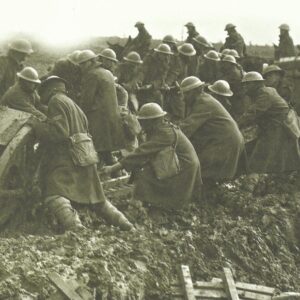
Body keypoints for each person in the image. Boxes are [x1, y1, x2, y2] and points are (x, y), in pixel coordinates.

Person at [30, 76, 133, 232]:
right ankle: (125, 224)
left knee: (54, 192)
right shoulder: (73, 105)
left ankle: (75, 227)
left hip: (68, 157)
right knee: (96, 198)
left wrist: (37, 125)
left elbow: (60, 132)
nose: (40, 96)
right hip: (85, 156)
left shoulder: (56, 102)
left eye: (42, 92)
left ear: (50, 90)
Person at [102, 103, 202, 211]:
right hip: (177, 162)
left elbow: (141, 153)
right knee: (143, 169)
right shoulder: (161, 128)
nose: (142, 124)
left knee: (145, 173)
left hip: (184, 168)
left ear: (153, 121)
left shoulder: (165, 133)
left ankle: (138, 203)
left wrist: (112, 168)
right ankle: (143, 200)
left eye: (144, 122)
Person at [179, 76, 245, 183]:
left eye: (186, 94)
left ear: (196, 91)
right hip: (225, 140)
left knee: (199, 169)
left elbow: (187, 128)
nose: (183, 98)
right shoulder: (202, 100)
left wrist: (168, 134)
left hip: (225, 142)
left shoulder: (203, 103)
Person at [240, 71, 300, 174]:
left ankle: (260, 175)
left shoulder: (265, 94)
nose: (245, 87)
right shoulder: (265, 91)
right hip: (277, 125)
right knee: (280, 155)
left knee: (263, 154)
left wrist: (237, 124)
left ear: (256, 84)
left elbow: (252, 113)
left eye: (247, 84)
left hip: (280, 126)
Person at [78, 50, 125, 170]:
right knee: (106, 151)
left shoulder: (92, 75)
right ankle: (116, 172)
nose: (81, 67)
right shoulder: (107, 73)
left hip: (98, 120)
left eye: (83, 64)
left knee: (96, 150)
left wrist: (79, 114)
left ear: (91, 61)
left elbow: (87, 101)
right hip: (110, 119)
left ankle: (96, 177)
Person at [220, 55, 247, 120]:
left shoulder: (233, 72)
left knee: (235, 111)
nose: (224, 65)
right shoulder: (235, 69)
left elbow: (226, 81)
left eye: (225, 63)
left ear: (230, 63)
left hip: (237, 94)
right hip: (237, 93)